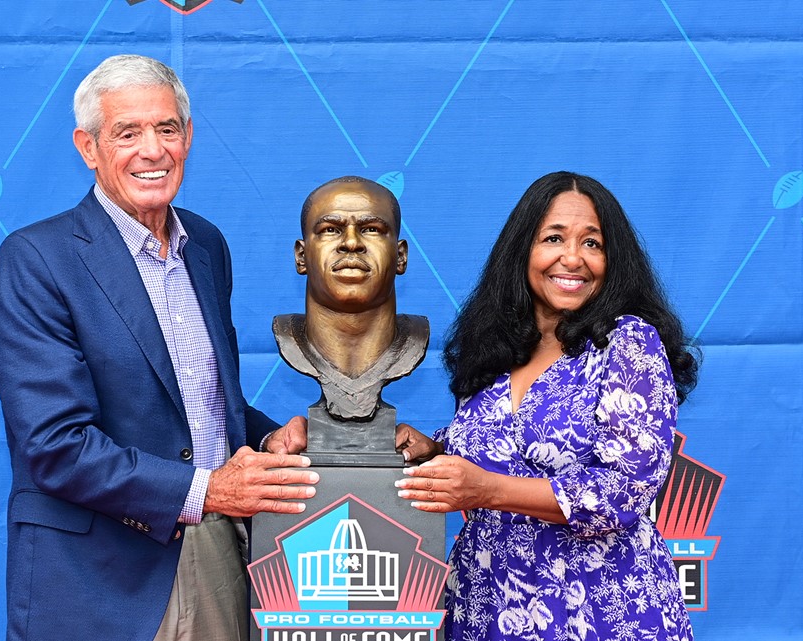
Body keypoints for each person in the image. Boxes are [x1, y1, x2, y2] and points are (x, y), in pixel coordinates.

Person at [0, 54, 317, 641]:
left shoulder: (205, 244)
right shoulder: (37, 260)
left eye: (166, 129)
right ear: (88, 147)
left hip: (215, 552)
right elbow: (55, 447)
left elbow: (203, 404)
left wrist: (266, 437)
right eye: (127, 133)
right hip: (96, 580)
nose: (152, 149)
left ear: (188, 137)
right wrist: (210, 488)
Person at [396, 171, 699, 640]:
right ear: (523, 250)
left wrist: (485, 490)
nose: (573, 258)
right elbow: (497, 448)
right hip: (486, 609)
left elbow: (624, 489)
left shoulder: (627, 343)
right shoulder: (495, 350)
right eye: (553, 237)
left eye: (593, 243)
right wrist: (434, 452)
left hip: (601, 614)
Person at [274, 176, 429, 423]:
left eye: (371, 229)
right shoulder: (288, 337)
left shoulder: (415, 340)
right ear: (301, 256)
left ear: (400, 256)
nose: (351, 242)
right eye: (331, 230)